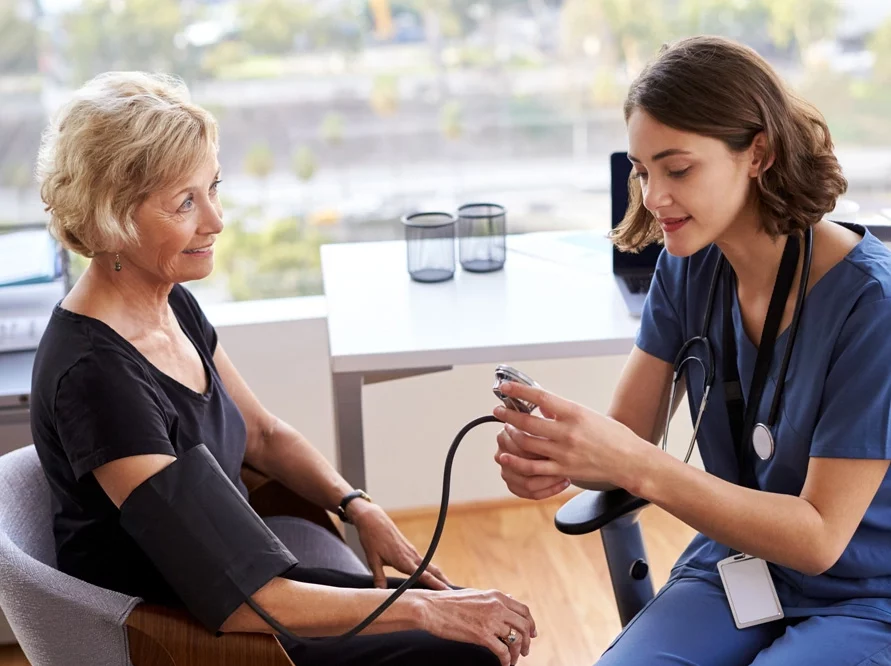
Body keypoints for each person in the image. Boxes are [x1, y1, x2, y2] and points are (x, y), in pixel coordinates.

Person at [30, 71, 534, 666]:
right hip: (192, 635)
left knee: (466, 627)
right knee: (466, 646)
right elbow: (243, 598)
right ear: (111, 216)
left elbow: (264, 434)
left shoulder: (170, 304)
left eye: (212, 189)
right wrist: (424, 611)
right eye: (185, 202)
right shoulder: (96, 379)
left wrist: (357, 506)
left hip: (242, 581)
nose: (215, 220)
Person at [494, 35, 891, 666]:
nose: (653, 197)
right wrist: (561, 453)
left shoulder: (872, 306)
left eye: (677, 170)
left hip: (865, 594)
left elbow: (818, 539)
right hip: (739, 564)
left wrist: (636, 465)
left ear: (758, 153)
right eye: (642, 171)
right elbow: (628, 439)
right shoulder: (689, 267)